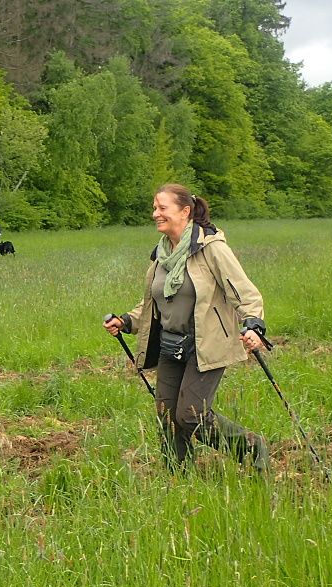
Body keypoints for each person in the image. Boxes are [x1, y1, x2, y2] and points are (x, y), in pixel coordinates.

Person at [103, 184, 269, 473]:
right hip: (171, 345)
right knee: (167, 416)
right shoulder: (162, 255)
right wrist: (127, 321)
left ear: (185, 211)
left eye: (162, 208)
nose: (156, 214)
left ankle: (252, 448)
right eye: (155, 208)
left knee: (191, 416)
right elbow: (156, 303)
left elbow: (245, 292)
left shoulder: (212, 249)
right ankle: (178, 477)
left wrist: (253, 324)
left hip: (207, 345)